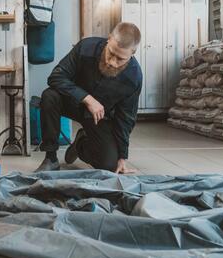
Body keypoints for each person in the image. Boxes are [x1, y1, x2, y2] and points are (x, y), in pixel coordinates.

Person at [35, 22, 142, 174]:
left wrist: (122, 156)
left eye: (120, 59)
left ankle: (80, 144)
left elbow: (126, 119)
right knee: (50, 95)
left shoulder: (134, 78)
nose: (112, 62)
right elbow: (56, 77)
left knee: (109, 165)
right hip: (72, 103)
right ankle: (50, 158)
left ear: (133, 53)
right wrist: (87, 98)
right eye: (111, 53)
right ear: (109, 39)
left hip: (99, 117)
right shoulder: (85, 47)